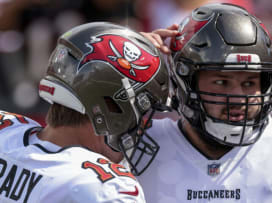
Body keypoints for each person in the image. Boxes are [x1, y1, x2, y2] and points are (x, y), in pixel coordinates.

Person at [139, 3, 272, 203]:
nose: (238, 97)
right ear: (183, 80)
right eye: (221, 81)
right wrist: (126, 62)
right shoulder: (138, 143)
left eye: (249, 82)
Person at [0, 21, 170, 202]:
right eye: (141, 113)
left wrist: (128, 53)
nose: (142, 126)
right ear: (112, 109)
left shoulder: (6, 130)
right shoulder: (104, 188)